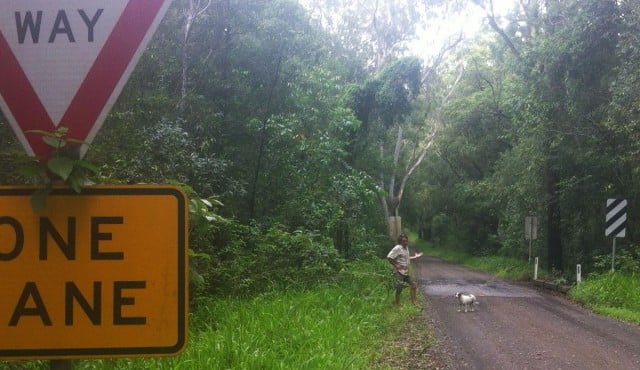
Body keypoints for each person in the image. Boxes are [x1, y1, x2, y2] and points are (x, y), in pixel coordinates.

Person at [387, 233, 423, 305]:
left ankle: (414, 302)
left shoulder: (406, 248)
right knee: (399, 288)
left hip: (405, 272)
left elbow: (406, 258)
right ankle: (397, 304)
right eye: (404, 241)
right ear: (400, 241)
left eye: (406, 241)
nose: (406, 242)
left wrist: (415, 257)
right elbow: (389, 257)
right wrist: (396, 264)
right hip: (399, 272)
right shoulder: (397, 248)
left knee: (413, 285)